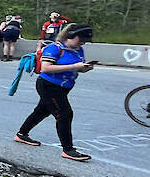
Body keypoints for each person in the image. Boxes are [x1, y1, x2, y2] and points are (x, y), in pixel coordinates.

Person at [14, 23, 95, 162]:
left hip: (64, 87)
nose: (82, 43)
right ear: (70, 36)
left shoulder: (79, 50)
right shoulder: (54, 48)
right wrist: (74, 66)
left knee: (41, 111)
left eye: (84, 41)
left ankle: (21, 134)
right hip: (49, 86)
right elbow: (46, 68)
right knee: (64, 114)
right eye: (80, 39)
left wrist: (83, 68)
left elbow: (76, 67)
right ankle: (68, 149)